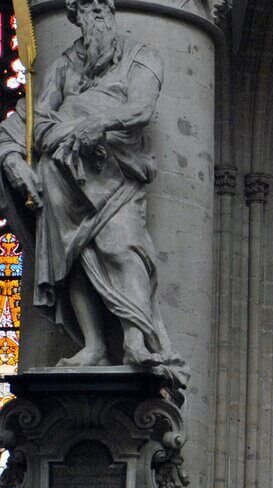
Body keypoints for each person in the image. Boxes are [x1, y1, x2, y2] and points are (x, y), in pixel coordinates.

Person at [0, 0, 188, 389]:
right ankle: (95, 345)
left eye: (102, 9)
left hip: (112, 175)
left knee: (123, 247)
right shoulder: (66, 64)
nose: (96, 18)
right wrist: (17, 157)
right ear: (76, 18)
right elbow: (34, 115)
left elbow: (140, 108)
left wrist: (93, 123)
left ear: (113, 14)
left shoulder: (142, 57)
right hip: (62, 179)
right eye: (87, 11)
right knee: (74, 258)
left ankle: (136, 340)